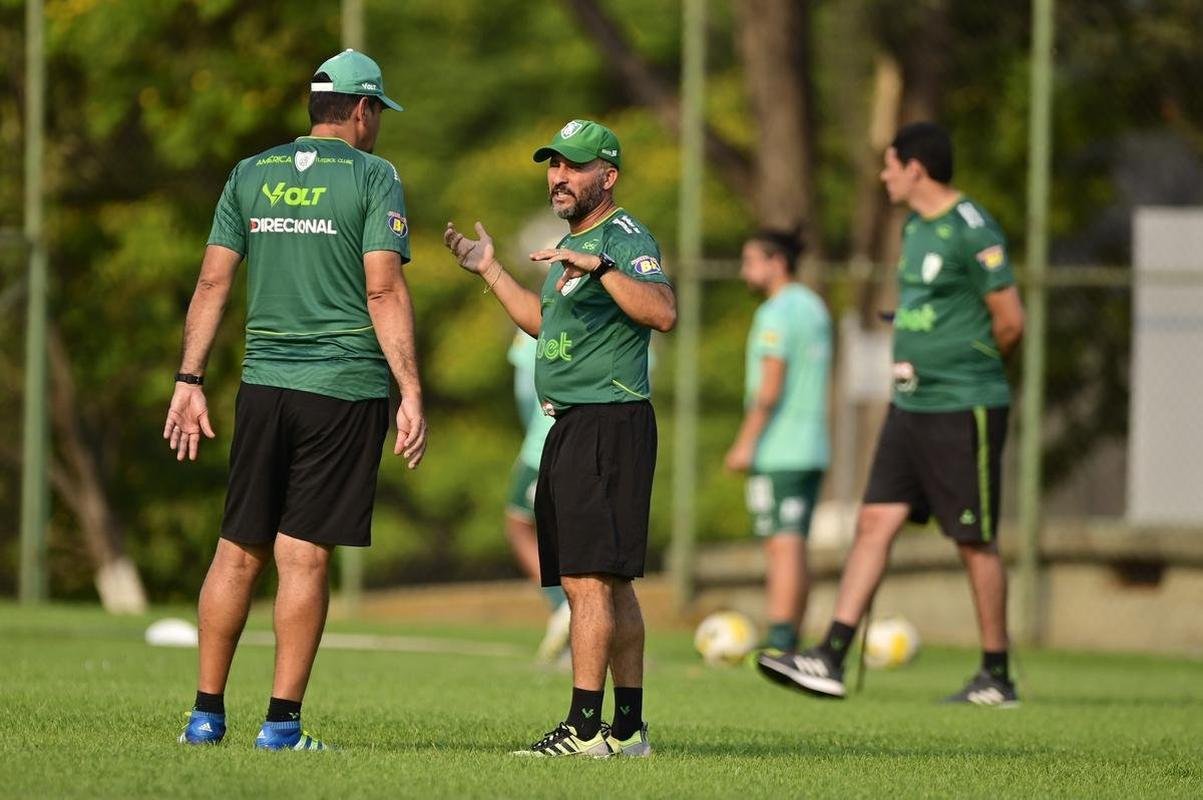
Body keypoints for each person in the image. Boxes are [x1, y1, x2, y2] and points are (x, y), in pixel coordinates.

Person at [166, 49, 426, 750]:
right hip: (341, 389)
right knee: (303, 556)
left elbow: (212, 283)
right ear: (363, 109)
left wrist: (189, 382)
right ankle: (281, 726)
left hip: (261, 386)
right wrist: (410, 389)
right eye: (378, 112)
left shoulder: (250, 172)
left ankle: (204, 717)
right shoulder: (374, 176)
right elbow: (382, 289)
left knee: (236, 549)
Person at [757, 121, 1025, 705]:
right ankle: (830, 656)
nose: (883, 176)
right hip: (909, 406)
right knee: (874, 522)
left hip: (963, 406)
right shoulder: (914, 229)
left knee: (973, 539)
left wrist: (962, 368)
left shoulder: (971, 227)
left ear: (915, 168)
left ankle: (997, 675)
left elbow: (1010, 321)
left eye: (889, 165)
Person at [444, 119, 676, 757]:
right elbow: (544, 325)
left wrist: (600, 267)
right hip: (577, 423)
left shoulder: (621, 237)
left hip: (607, 420)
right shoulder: (573, 243)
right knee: (610, 581)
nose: (559, 177)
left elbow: (662, 311)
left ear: (609, 175)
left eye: (574, 166)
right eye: (553, 165)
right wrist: (490, 270)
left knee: (586, 581)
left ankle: (584, 729)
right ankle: (626, 731)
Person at [724, 229, 831, 654]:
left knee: (781, 544)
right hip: (812, 446)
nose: (744, 272)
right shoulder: (814, 306)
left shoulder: (776, 312)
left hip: (780, 449)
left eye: (751, 261)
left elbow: (770, 386)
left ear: (777, 263)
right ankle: (792, 634)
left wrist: (745, 442)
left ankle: (782, 637)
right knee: (795, 540)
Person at [505, 330, 571, 662]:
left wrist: (531, 435)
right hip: (604, 438)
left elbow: (523, 392)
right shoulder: (625, 310)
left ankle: (563, 606)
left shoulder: (540, 311)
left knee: (519, 525)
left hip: (544, 443)